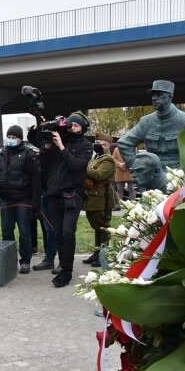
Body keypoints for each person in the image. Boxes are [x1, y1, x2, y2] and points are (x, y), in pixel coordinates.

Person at [39, 112, 94, 288]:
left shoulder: (86, 146)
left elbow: (75, 165)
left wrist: (61, 147)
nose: (72, 128)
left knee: (67, 233)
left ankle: (67, 271)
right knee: (58, 234)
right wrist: (48, 145)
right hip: (54, 194)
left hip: (72, 195)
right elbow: (44, 164)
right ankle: (63, 265)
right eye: (71, 125)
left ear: (83, 128)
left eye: (76, 125)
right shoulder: (59, 141)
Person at [117, 80, 185, 170]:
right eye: (153, 95)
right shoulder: (146, 122)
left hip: (180, 177)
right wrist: (137, 168)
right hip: (153, 177)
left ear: (170, 97)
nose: (154, 98)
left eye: (159, 95)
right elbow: (124, 143)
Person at [0, 125, 41, 274]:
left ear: (20, 139)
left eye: (14, 137)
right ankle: (9, 259)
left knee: (24, 232)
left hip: (23, 199)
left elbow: (35, 180)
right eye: (9, 137)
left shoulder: (29, 154)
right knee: (6, 232)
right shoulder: (3, 154)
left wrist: (35, 202)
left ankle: (25, 261)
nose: (11, 140)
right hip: (6, 199)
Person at [82, 134, 116, 268]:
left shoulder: (108, 160)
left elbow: (98, 175)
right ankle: (97, 253)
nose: (98, 146)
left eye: (102, 144)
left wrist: (85, 166)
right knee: (96, 227)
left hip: (102, 197)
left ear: (108, 146)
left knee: (103, 228)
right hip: (92, 196)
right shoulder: (96, 158)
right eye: (97, 143)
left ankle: (104, 255)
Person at [111, 141, 135, 207]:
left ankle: (133, 205)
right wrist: (119, 164)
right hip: (119, 171)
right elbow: (113, 158)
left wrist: (125, 164)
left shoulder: (132, 148)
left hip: (129, 170)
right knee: (119, 189)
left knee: (131, 189)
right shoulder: (116, 149)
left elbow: (134, 157)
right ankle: (118, 205)